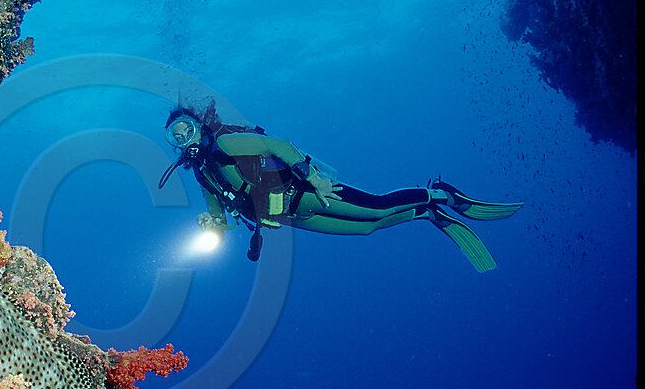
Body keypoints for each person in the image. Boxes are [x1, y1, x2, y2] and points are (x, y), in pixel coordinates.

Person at [158, 103, 523, 271]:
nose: (183, 137)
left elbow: (278, 146)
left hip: (307, 193)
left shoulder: (224, 145)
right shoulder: (202, 174)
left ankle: (442, 194)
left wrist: (315, 178)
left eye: (187, 128)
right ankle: (425, 211)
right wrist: (213, 226)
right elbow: (221, 219)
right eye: (176, 136)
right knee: (370, 229)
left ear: (199, 127)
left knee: (378, 206)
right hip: (291, 218)